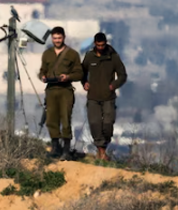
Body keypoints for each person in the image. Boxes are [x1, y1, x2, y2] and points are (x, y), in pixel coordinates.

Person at [81, 32, 127, 161]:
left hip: (108, 97)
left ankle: (103, 149)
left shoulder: (113, 57)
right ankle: (101, 151)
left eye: (102, 45)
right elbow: (82, 72)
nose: (100, 47)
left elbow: (123, 75)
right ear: (95, 44)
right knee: (94, 123)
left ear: (106, 43)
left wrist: (114, 85)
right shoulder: (90, 56)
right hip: (93, 97)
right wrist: (84, 82)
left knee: (108, 124)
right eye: (98, 45)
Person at [39, 26, 84, 160]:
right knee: (51, 119)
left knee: (65, 119)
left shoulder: (72, 54)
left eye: (59, 38)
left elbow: (79, 73)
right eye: (54, 38)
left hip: (65, 90)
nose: (57, 40)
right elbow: (42, 70)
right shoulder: (47, 54)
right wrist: (42, 77)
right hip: (51, 90)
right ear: (52, 39)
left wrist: (68, 77)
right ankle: (55, 147)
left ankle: (66, 149)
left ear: (63, 38)